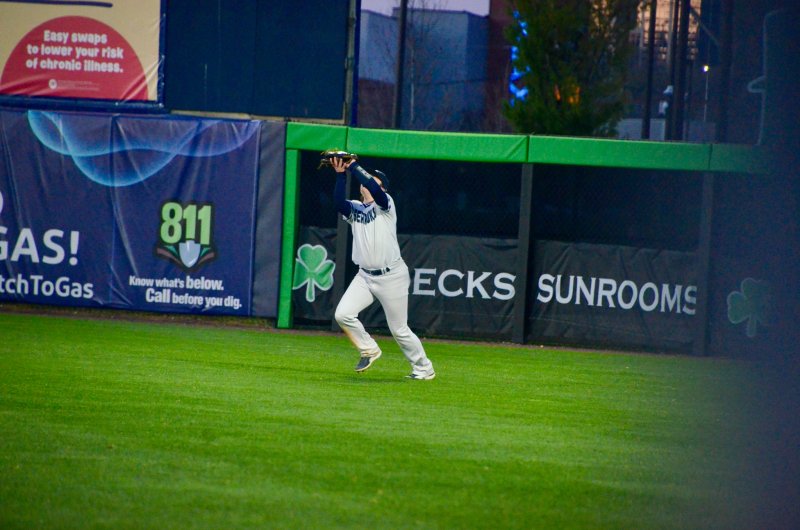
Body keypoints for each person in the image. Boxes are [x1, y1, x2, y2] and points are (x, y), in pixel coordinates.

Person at [330, 156, 435, 380]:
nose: (368, 184)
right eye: (368, 180)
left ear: (383, 188)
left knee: (399, 330)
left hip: (392, 276)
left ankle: (424, 368)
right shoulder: (356, 208)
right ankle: (369, 348)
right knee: (343, 314)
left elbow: (374, 190)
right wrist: (341, 175)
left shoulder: (386, 205)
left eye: (375, 181)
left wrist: (354, 166)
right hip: (364, 277)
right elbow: (339, 204)